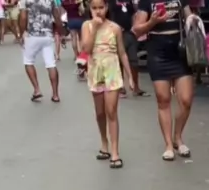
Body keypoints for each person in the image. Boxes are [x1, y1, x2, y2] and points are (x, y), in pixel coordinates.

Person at [132, 0, 196, 160]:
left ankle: (177, 137)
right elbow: (137, 30)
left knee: (186, 100)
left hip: (180, 52)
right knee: (163, 99)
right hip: (158, 54)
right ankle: (168, 144)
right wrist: (153, 21)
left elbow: (190, 18)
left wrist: (193, 20)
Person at [81, 0, 134, 168]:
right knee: (100, 113)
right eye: (94, 8)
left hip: (112, 72)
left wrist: (130, 76)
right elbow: (86, 49)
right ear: (90, 9)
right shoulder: (87, 26)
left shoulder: (115, 28)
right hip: (95, 72)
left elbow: (122, 53)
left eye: (101, 8)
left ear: (106, 8)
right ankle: (104, 142)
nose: (98, 11)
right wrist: (95, 28)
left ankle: (115, 151)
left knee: (111, 111)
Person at [19, 0, 62, 102]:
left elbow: (23, 17)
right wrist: (61, 32)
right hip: (48, 35)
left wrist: (21, 33)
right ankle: (55, 95)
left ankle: (37, 90)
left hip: (32, 35)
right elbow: (56, 16)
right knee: (51, 64)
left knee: (28, 61)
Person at [108, 0, 147, 96]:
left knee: (134, 61)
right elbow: (109, 15)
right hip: (116, 34)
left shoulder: (129, 2)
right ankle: (121, 87)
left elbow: (133, 14)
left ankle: (135, 86)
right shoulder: (111, 2)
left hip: (129, 33)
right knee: (119, 61)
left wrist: (134, 28)